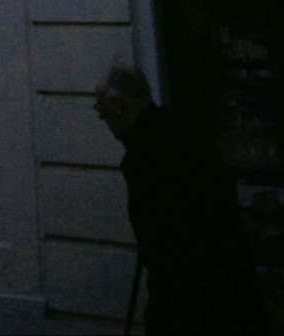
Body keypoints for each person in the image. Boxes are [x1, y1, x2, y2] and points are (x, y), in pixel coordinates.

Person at [94, 64, 260, 334]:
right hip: (228, 289)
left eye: (103, 113)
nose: (106, 124)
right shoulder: (186, 133)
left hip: (189, 302)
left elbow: (162, 247)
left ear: (118, 104)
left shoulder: (144, 158)